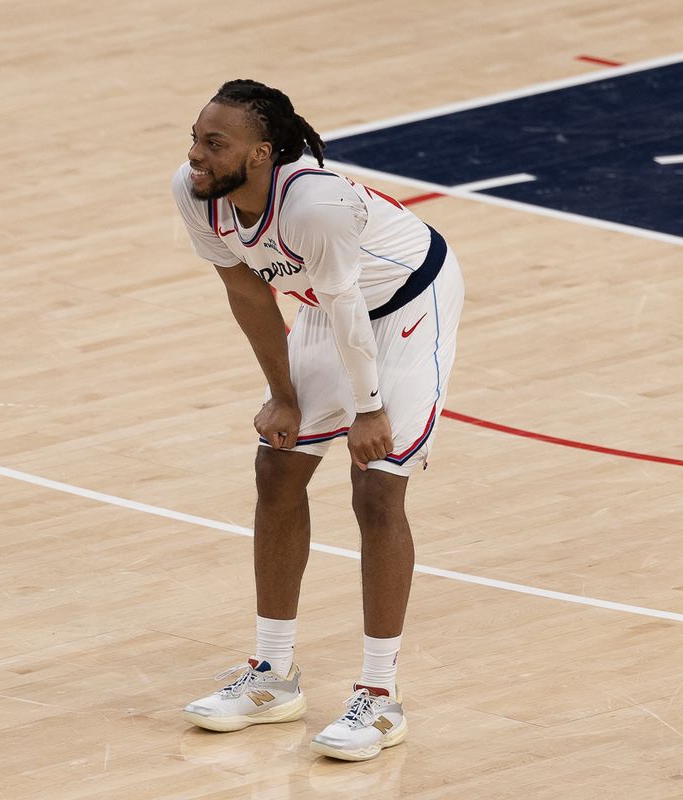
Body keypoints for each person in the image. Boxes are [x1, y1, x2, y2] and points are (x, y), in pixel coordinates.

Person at [172, 78, 464, 762]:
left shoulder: (315, 205)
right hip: (329, 307)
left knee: (377, 487)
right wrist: (283, 394)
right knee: (276, 468)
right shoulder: (196, 192)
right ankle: (272, 677)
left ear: (261, 153)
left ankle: (380, 696)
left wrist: (368, 410)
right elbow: (247, 293)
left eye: (215, 143)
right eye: (194, 138)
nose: (196, 155)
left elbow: (348, 310)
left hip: (408, 303)